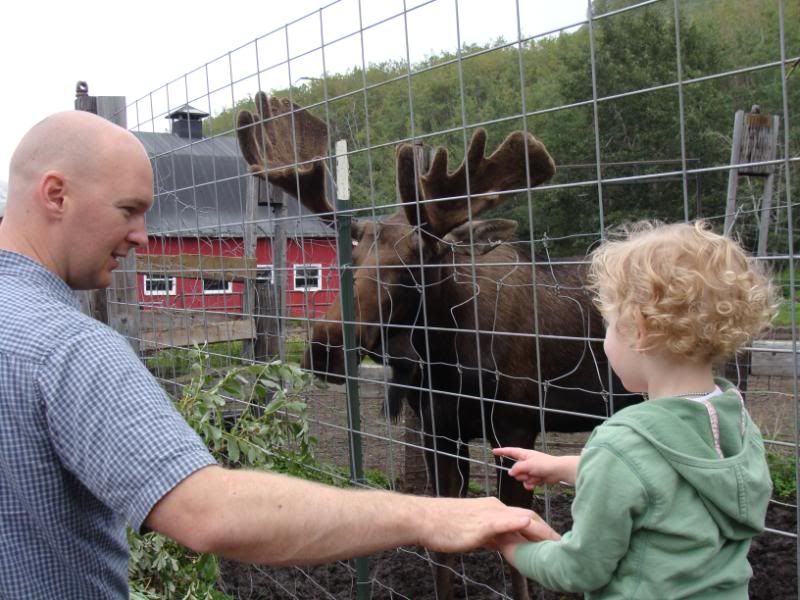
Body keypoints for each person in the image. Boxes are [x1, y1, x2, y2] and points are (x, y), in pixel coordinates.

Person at [0, 111, 547, 599]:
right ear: (55, 194)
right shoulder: (70, 349)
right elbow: (211, 512)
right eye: (129, 210)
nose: (143, 235)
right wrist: (431, 513)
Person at [492, 220, 779, 598]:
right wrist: (564, 467)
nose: (604, 340)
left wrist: (513, 547)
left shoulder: (621, 442)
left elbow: (579, 570)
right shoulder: (736, 421)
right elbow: (670, 477)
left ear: (639, 330)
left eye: (607, 325)